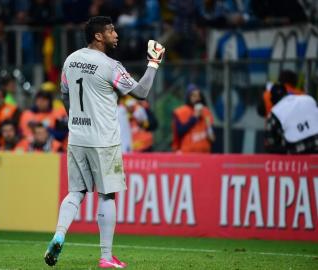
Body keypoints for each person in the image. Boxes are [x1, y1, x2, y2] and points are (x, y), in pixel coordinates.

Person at [44, 16, 165, 268]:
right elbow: (141, 93)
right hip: (103, 140)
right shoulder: (111, 65)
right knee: (107, 195)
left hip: (77, 136)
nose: (116, 35)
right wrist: (153, 63)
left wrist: (75, 119)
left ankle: (59, 234)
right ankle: (106, 257)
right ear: (98, 36)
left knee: (75, 192)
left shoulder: (70, 60)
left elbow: (65, 94)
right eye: (111, 31)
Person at [265, 83, 318, 154]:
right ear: (287, 93)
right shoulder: (308, 99)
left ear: (272, 100)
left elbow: (271, 143)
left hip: (298, 154)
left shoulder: (273, 114)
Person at [172, 83, 215, 153]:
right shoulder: (181, 112)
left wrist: (211, 133)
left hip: (205, 152)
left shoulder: (206, 112)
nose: (197, 98)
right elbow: (179, 132)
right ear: (188, 97)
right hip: (187, 153)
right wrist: (194, 118)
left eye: (199, 96)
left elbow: (210, 129)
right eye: (194, 96)